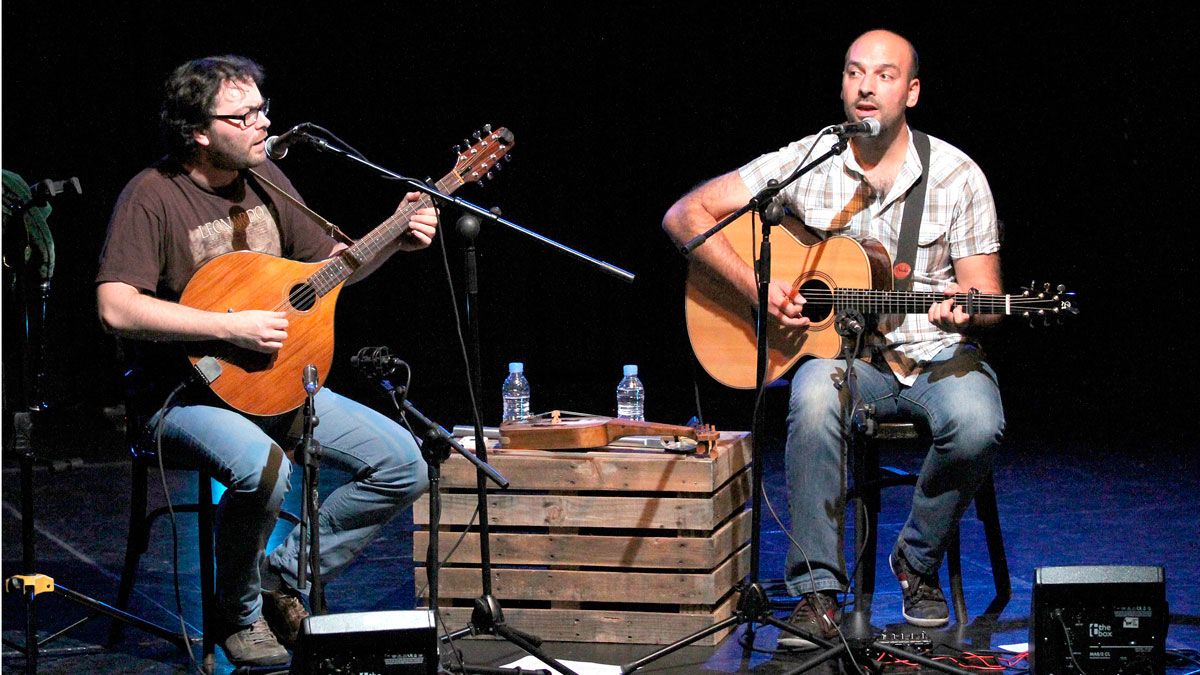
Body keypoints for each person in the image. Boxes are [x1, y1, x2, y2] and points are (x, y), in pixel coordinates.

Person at [662, 30, 1004, 646]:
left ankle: (916, 561)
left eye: (884, 75)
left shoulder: (957, 175)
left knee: (978, 423)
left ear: (912, 91)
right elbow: (684, 217)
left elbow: (984, 295)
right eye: (854, 73)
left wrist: (968, 313)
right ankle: (816, 593)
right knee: (813, 395)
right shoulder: (810, 158)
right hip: (848, 360)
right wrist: (755, 288)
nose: (866, 87)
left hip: (936, 356)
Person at [95, 55, 435, 666]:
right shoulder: (152, 196)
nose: (262, 123)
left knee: (403, 465)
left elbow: (326, 274)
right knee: (265, 470)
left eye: (261, 109)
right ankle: (238, 616)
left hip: (274, 385)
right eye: (242, 114)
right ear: (199, 132)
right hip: (183, 395)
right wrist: (228, 326)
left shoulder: (269, 179)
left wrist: (394, 235)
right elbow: (117, 307)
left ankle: (284, 574)